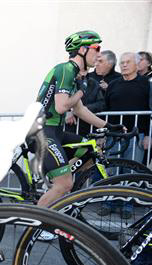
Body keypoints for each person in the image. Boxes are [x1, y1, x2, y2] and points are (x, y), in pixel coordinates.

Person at [35, 30, 124, 210]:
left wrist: (108, 125)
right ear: (82, 50)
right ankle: (37, 223)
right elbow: (61, 107)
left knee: (89, 150)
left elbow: (80, 109)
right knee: (64, 184)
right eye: (96, 48)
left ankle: (60, 191)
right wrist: (82, 91)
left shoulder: (76, 75)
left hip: (57, 131)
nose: (98, 54)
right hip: (43, 132)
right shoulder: (66, 69)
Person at [105, 52, 151, 168]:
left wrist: (148, 135)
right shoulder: (113, 84)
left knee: (131, 171)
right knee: (111, 171)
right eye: (122, 63)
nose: (124, 65)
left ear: (136, 64)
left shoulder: (146, 84)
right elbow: (105, 108)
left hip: (136, 136)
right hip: (114, 136)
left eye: (128, 62)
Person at [65, 69, 106, 135]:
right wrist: (67, 112)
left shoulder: (93, 83)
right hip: (69, 128)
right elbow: (58, 102)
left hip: (88, 128)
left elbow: (101, 104)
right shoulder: (65, 82)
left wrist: (82, 110)